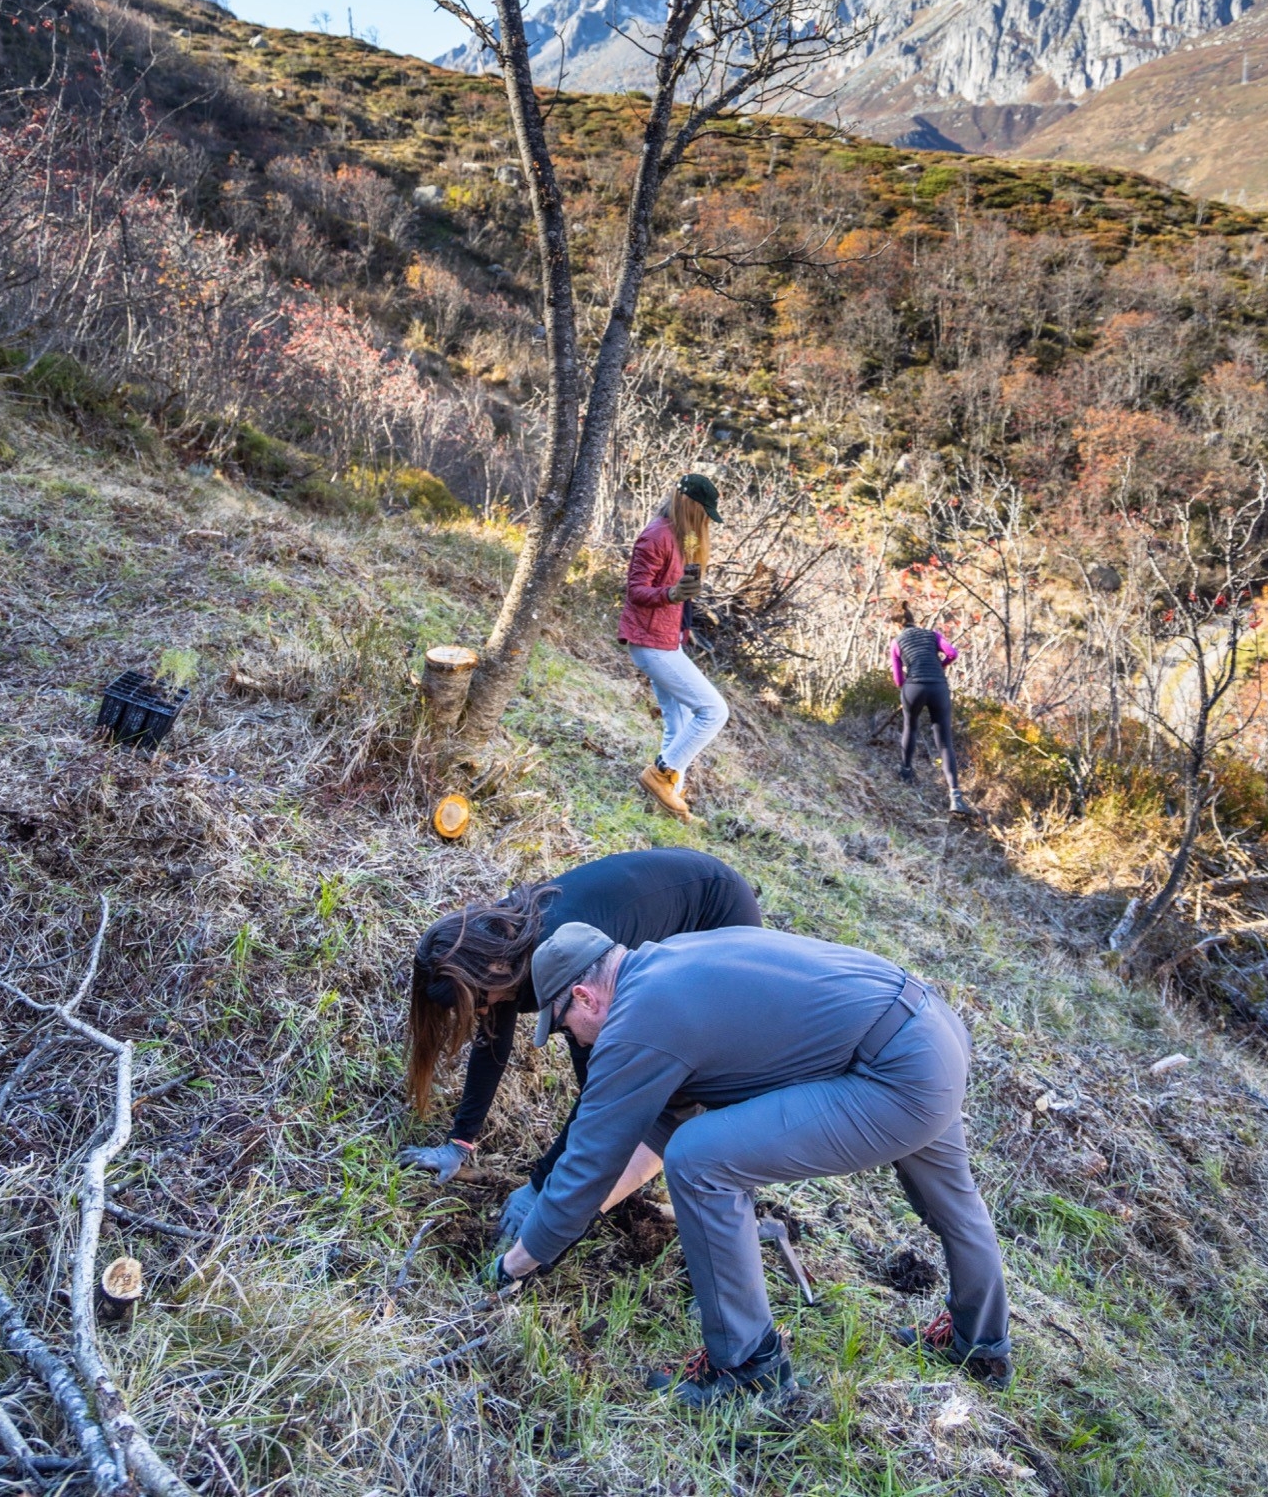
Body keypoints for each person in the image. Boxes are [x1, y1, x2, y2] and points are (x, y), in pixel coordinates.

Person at [492, 923, 1012, 1410]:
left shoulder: (635, 1021)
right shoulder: (671, 964)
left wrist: (517, 1262)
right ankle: (982, 1344)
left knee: (701, 1162)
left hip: (896, 1074)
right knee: (954, 1203)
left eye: (565, 1027)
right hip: (931, 1029)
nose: (577, 1041)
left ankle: (748, 1369)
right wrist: (569, 1220)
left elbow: (589, 1161)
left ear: (585, 997)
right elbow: (656, 1126)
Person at [400, 847, 761, 1242]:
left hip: (716, 914)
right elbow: (491, 1046)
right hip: (668, 902)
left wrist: (540, 1187)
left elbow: (601, 1092)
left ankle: (727, 1204)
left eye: (480, 1002)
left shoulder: (568, 967)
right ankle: (620, 1168)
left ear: (494, 971)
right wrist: (459, 1143)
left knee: (671, 1074)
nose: (484, 1014)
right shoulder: (493, 949)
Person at [620, 474, 730, 822]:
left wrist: (681, 617)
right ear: (689, 505)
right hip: (650, 643)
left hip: (666, 641)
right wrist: (670, 595)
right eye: (704, 512)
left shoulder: (682, 537)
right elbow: (636, 590)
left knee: (679, 721)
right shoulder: (656, 537)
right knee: (714, 711)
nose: (706, 521)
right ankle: (660, 773)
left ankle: (671, 803)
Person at [891, 600, 973, 816]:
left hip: (914, 687)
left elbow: (898, 679)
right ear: (913, 621)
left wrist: (909, 685)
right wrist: (939, 667)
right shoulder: (932, 635)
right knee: (945, 742)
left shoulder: (897, 641)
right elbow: (952, 653)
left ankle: (906, 772)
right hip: (938, 687)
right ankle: (955, 796)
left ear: (896, 625)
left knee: (911, 727)